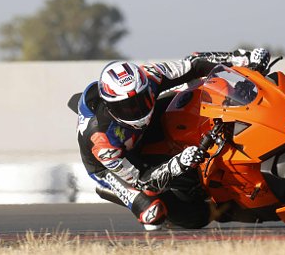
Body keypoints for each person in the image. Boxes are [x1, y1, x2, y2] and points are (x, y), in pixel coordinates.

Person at [69, 48, 270, 228]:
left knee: (192, 95)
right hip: (116, 165)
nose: (137, 109)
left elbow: (193, 63)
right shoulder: (103, 142)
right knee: (154, 214)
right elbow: (143, 180)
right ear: (111, 106)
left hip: (140, 130)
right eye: (127, 107)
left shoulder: (151, 75)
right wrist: (177, 164)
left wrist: (239, 60)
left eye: (141, 99)